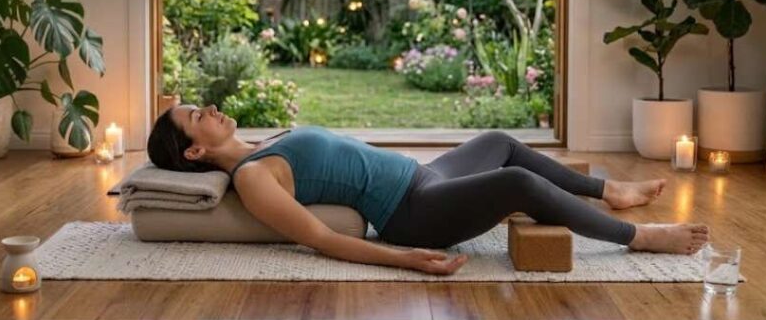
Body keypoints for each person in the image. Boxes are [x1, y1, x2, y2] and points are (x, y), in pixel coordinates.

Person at [147, 104, 710, 276]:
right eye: (197, 115)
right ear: (194, 151)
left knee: (499, 141)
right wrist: (402, 259)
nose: (211, 108)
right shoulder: (252, 177)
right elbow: (318, 237)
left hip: (424, 175)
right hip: (412, 212)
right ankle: (636, 237)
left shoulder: (262, 146)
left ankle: (608, 190)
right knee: (516, 182)